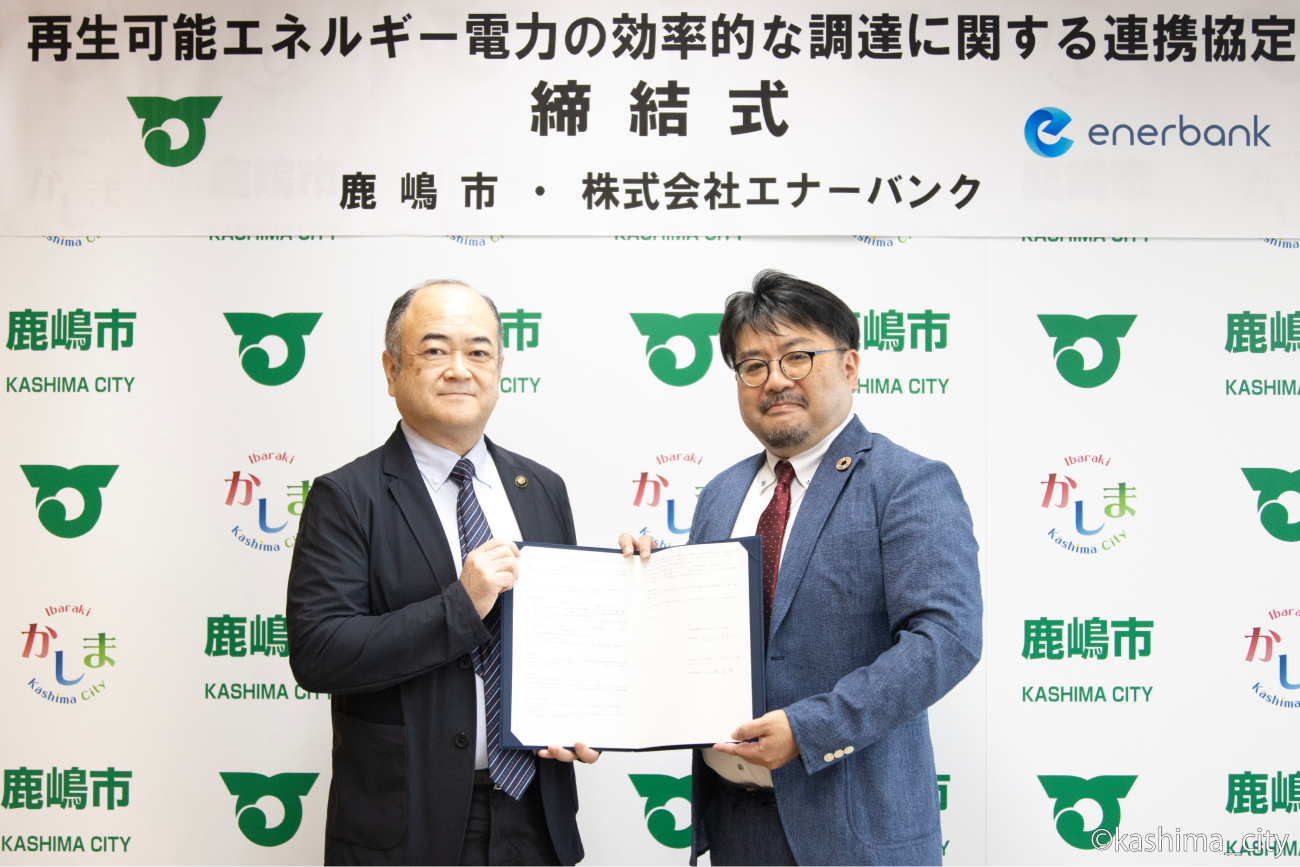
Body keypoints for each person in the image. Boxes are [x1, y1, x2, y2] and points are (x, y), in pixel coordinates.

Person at [620, 270, 982, 867]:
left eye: (797, 357)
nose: (775, 380)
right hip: (734, 828)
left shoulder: (907, 482)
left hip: (854, 832)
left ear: (850, 366)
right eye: (753, 365)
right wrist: (647, 582)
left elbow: (947, 638)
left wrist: (811, 728)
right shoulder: (722, 493)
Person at [288, 280, 597, 867]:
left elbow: (567, 641)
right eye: (434, 350)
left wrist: (588, 717)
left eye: (479, 352)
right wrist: (462, 603)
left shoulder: (542, 488)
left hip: (535, 816)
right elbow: (319, 652)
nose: (460, 369)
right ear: (392, 370)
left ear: (500, 368)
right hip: (407, 826)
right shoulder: (347, 497)